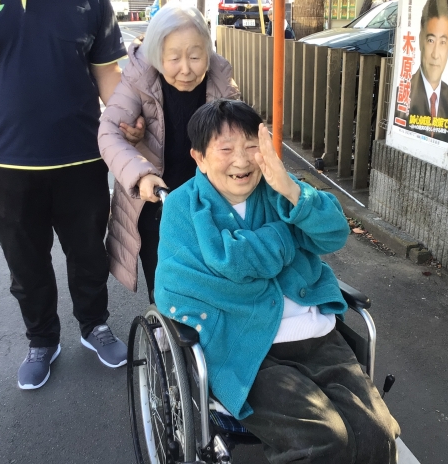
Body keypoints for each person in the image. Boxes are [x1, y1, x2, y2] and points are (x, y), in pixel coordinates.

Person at [155, 99, 401, 463]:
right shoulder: (183, 207)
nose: (242, 161)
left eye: (251, 147)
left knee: (377, 434)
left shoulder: (278, 189)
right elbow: (177, 287)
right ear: (200, 158)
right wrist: (282, 239)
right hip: (247, 351)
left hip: (319, 338)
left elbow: (334, 234)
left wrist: (290, 188)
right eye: (226, 149)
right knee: (324, 439)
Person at [0, 0, 146, 390]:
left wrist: (126, 119)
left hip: (83, 157)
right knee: (26, 263)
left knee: (89, 253)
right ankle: (41, 339)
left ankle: (94, 325)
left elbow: (106, 71)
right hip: (8, 163)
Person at [98, 2, 240, 303]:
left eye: (195, 56)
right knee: (165, 284)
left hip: (207, 197)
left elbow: (242, 131)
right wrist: (141, 174)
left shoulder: (220, 76)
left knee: (214, 281)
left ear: (208, 52)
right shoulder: (140, 75)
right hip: (157, 199)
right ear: (156, 54)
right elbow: (108, 131)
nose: (186, 69)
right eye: (174, 58)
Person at [395, 0, 448, 142]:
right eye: (430, 40)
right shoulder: (401, 96)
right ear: (421, 39)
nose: (435, 54)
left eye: (443, 42)